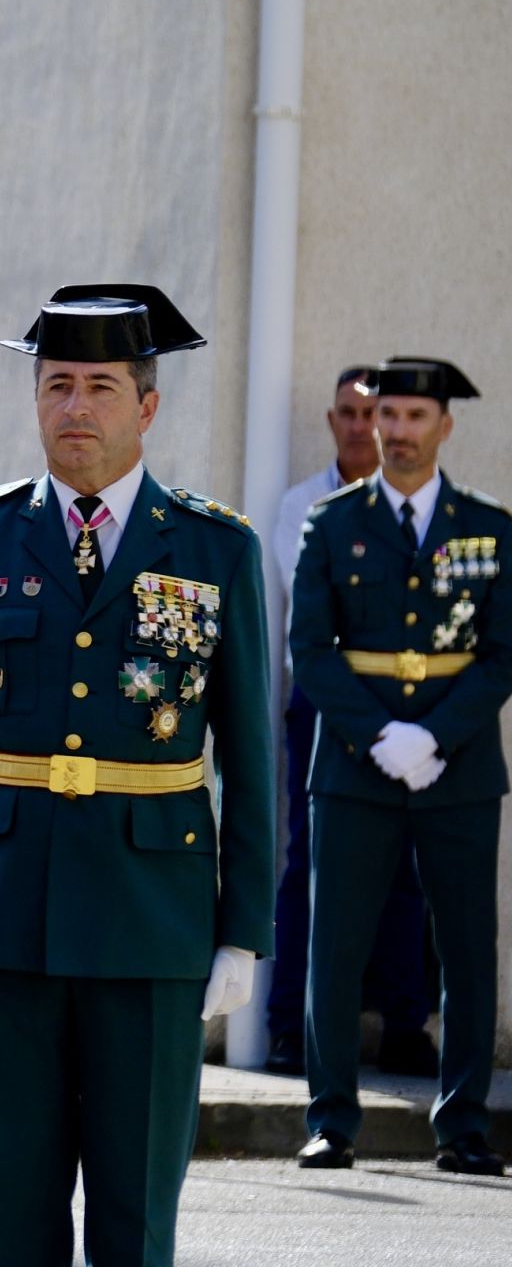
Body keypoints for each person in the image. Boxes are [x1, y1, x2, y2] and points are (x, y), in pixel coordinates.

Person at [0, 283, 275, 1266]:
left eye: (101, 385)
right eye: (57, 383)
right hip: (2, 912)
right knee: (7, 1219)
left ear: (147, 406)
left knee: (135, 1222)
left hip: (154, 921)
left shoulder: (215, 549)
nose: (75, 407)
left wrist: (243, 930)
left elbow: (250, 754)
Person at [290, 357, 508, 1177]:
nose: (400, 432)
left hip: (458, 767)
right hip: (356, 763)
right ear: (370, 424)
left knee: (465, 948)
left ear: (445, 427)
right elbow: (309, 647)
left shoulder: (490, 528)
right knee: (336, 947)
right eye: (388, 417)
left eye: (418, 417)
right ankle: (330, 1121)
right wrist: (378, 735)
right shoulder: (331, 524)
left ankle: (463, 1127)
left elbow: (501, 656)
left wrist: (435, 738)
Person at [264, 368, 435, 1078]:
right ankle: (287, 1026)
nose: (364, 427)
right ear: (332, 423)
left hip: (411, 706)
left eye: (376, 415)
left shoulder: (420, 507)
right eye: (350, 414)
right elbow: (321, 614)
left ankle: (403, 1027)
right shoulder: (302, 506)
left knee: (407, 864)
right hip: (327, 704)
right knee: (311, 864)